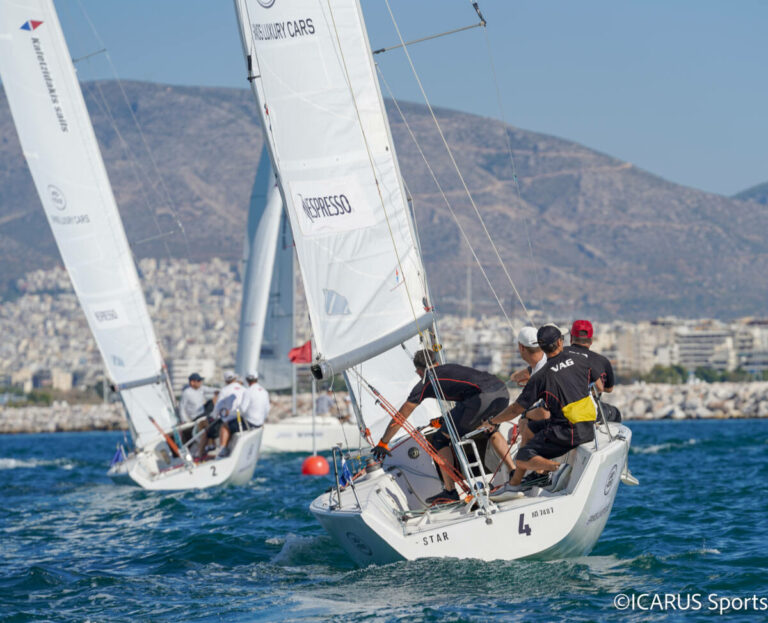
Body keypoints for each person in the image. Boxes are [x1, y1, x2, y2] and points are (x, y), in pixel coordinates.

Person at [372, 349, 512, 504]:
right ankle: (513, 472)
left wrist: (384, 442)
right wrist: (444, 419)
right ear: (436, 362)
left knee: (439, 439)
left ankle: (450, 492)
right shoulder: (451, 367)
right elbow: (465, 400)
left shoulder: (425, 382)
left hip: (479, 400)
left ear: (418, 371)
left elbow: (400, 417)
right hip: (501, 392)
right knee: (491, 429)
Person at [483, 324, 602, 498]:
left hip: (568, 431)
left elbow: (516, 408)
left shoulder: (541, 376)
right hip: (588, 425)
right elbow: (597, 383)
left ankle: (557, 469)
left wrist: (492, 422)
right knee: (530, 428)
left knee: (522, 458)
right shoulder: (579, 359)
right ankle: (517, 484)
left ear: (541, 347)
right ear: (560, 342)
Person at [566, 319, 621, 422]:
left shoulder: (560, 355)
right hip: (590, 409)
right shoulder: (602, 361)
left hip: (560, 408)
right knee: (615, 413)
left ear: (571, 338)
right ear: (591, 341)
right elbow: (609, 389)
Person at [196, 372, 250, 458]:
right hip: (242, 419)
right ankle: (211, 447)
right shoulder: (244, 389)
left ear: (225, 380)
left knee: (208, 430)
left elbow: (217, 408)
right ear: (235, 378)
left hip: (228, 420)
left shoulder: (224, 390)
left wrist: (213, 416)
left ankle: (206, 451)